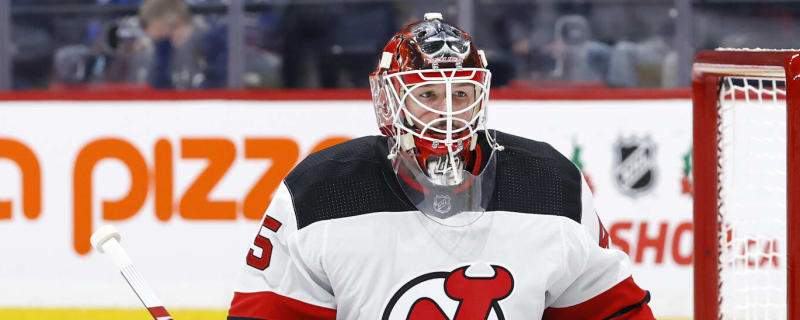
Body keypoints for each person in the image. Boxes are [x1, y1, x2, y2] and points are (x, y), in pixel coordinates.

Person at [228, 13, 654, 319]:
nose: (448, 113)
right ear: (389, 101)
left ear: (481, 97)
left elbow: (613, 310)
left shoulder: (550, 184)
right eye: (428, 95)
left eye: (461, 95)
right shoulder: (319, 191)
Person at [137, 0, 227, 89]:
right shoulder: (165, 48)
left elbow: (220, 83)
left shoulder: (212, 39)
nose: (168, 38)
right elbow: (158, 85)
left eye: (163, 32)